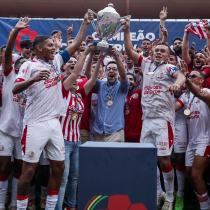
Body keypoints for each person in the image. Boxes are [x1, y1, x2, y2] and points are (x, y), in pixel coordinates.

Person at [13, 10, 93, 210]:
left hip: (54, 124)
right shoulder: (29, 66)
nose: (54, 48)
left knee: (59, 168)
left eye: (54, 45)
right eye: (50, 45)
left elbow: (74, 45)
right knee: (29, 170)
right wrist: (33, 79)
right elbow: (16, 87)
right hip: (34, 124)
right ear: (38, 48)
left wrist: (85, 23)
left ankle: (50, 208)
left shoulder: (57, 61)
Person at [124, 18, 186, 210]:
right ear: (152, 52)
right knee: (147, 159)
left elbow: (181, 75)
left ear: (168, 56)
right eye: (157, 50)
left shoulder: (169, 68)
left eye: (163, 50)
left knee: (164, 159)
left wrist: (178, 83)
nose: (159, 52)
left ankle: (169, 197)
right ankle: (157, 192)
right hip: (147, 121)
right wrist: (127, 29)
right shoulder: (146, 65)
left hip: (163, 121)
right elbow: (128, 50)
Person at [56, 46, 101, 210]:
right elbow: (74, 73)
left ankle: (72, 206)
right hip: (63, 140)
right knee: (63, 178)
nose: (75, 79)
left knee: (74, 178)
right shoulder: (61, 91)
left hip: (76, 141)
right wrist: (85, 52)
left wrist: (100, 59)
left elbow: (93, 79)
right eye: (70, 65)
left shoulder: (80, 94)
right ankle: (58, 207)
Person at [0, 17, 30, 210]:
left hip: (24, 133)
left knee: (20, 170)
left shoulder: (32, 82)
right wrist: (15, 32)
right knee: (2, 168)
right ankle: (1, 204)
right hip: (5, 129)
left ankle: (14, 205)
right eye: (19, 63)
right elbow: (9, 52)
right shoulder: (10, 75)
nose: (21, 67)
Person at [175, 71, 210, 210]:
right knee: (189, 174)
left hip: (206, 139)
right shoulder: (185, 95)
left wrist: (185, 79)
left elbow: (200, 94)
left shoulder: (206, 91)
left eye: (193, 76)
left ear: (201, 80)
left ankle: (205, 207)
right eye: (188, 77)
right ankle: (204, 197)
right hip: (192, 141)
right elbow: (175, 107)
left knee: (196, 174)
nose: (189, 78)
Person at [90, 48, 129, 142]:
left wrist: (116, 57)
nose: (111, 71)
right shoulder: (100, 84)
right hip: (98, 132)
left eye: (115, 69)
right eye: (109, 69)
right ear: (105, 72)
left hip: (115, 132)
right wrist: (99, 61)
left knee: (115, 157)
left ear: (118, 72)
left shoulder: (123, 86)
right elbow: (89, 77)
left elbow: (123, 76)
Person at [124, 73, 142, 143]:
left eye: (131, 79)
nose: (128, 81)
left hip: (137, 134)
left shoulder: (139, 93)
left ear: (135, 83)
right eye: (126, 79)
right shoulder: (119, 94)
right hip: (122, 134)